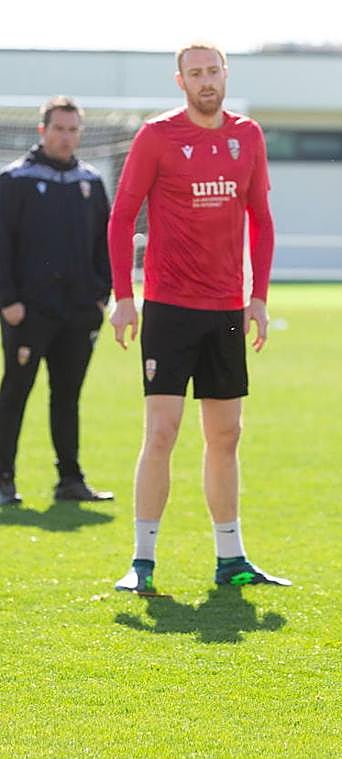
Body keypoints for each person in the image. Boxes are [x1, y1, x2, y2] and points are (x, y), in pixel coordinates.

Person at [108, 43, 287, 594]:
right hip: (168, 308)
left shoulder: (248, 135)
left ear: (225, 74)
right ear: (180, 80)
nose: (206, 80)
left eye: (213, 70)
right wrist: (124, 296)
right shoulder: (156, 135)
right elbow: (122, 217)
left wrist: (258, 297)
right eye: (196, 73)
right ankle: (141, 561)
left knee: (226, 434)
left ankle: (231, 558)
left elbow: (262, 219)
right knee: (162, 431)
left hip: (227, 308)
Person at [0, 97, 113, 506]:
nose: (66, 137)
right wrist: (8, 300)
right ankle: (3, 480)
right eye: (59, 129)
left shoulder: (90, 182)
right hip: (28, 312)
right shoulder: (15, 179)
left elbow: (105, 242)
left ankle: (70, 480)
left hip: (79, 313)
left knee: (67, 396)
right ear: (42, 131)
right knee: (15, 393)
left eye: (72, 130)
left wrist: (101, 297)